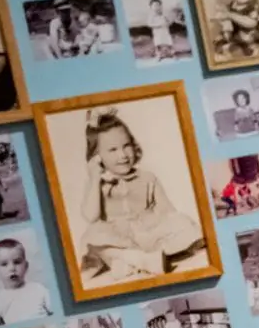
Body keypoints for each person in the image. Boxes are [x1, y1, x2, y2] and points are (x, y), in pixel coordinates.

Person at [79, 108, 205, 281]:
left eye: (126, 146)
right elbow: (91, 216)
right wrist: (94, 177)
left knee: (182, 221)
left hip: (148, 236)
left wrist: (174, 230)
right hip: (119, 240)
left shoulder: (147, 178)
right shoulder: (97, 184)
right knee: (93, 236)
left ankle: (136, 262)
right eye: (113, 150)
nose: (123, 155)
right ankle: (135, 260)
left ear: (134, 144)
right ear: (97, 156)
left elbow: (168, 211)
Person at [0, 238, 51, 325]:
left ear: (26, 266)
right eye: (4, 264)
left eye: (17, 262)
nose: (12, 268)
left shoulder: (38, 289)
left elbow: (55, 311)